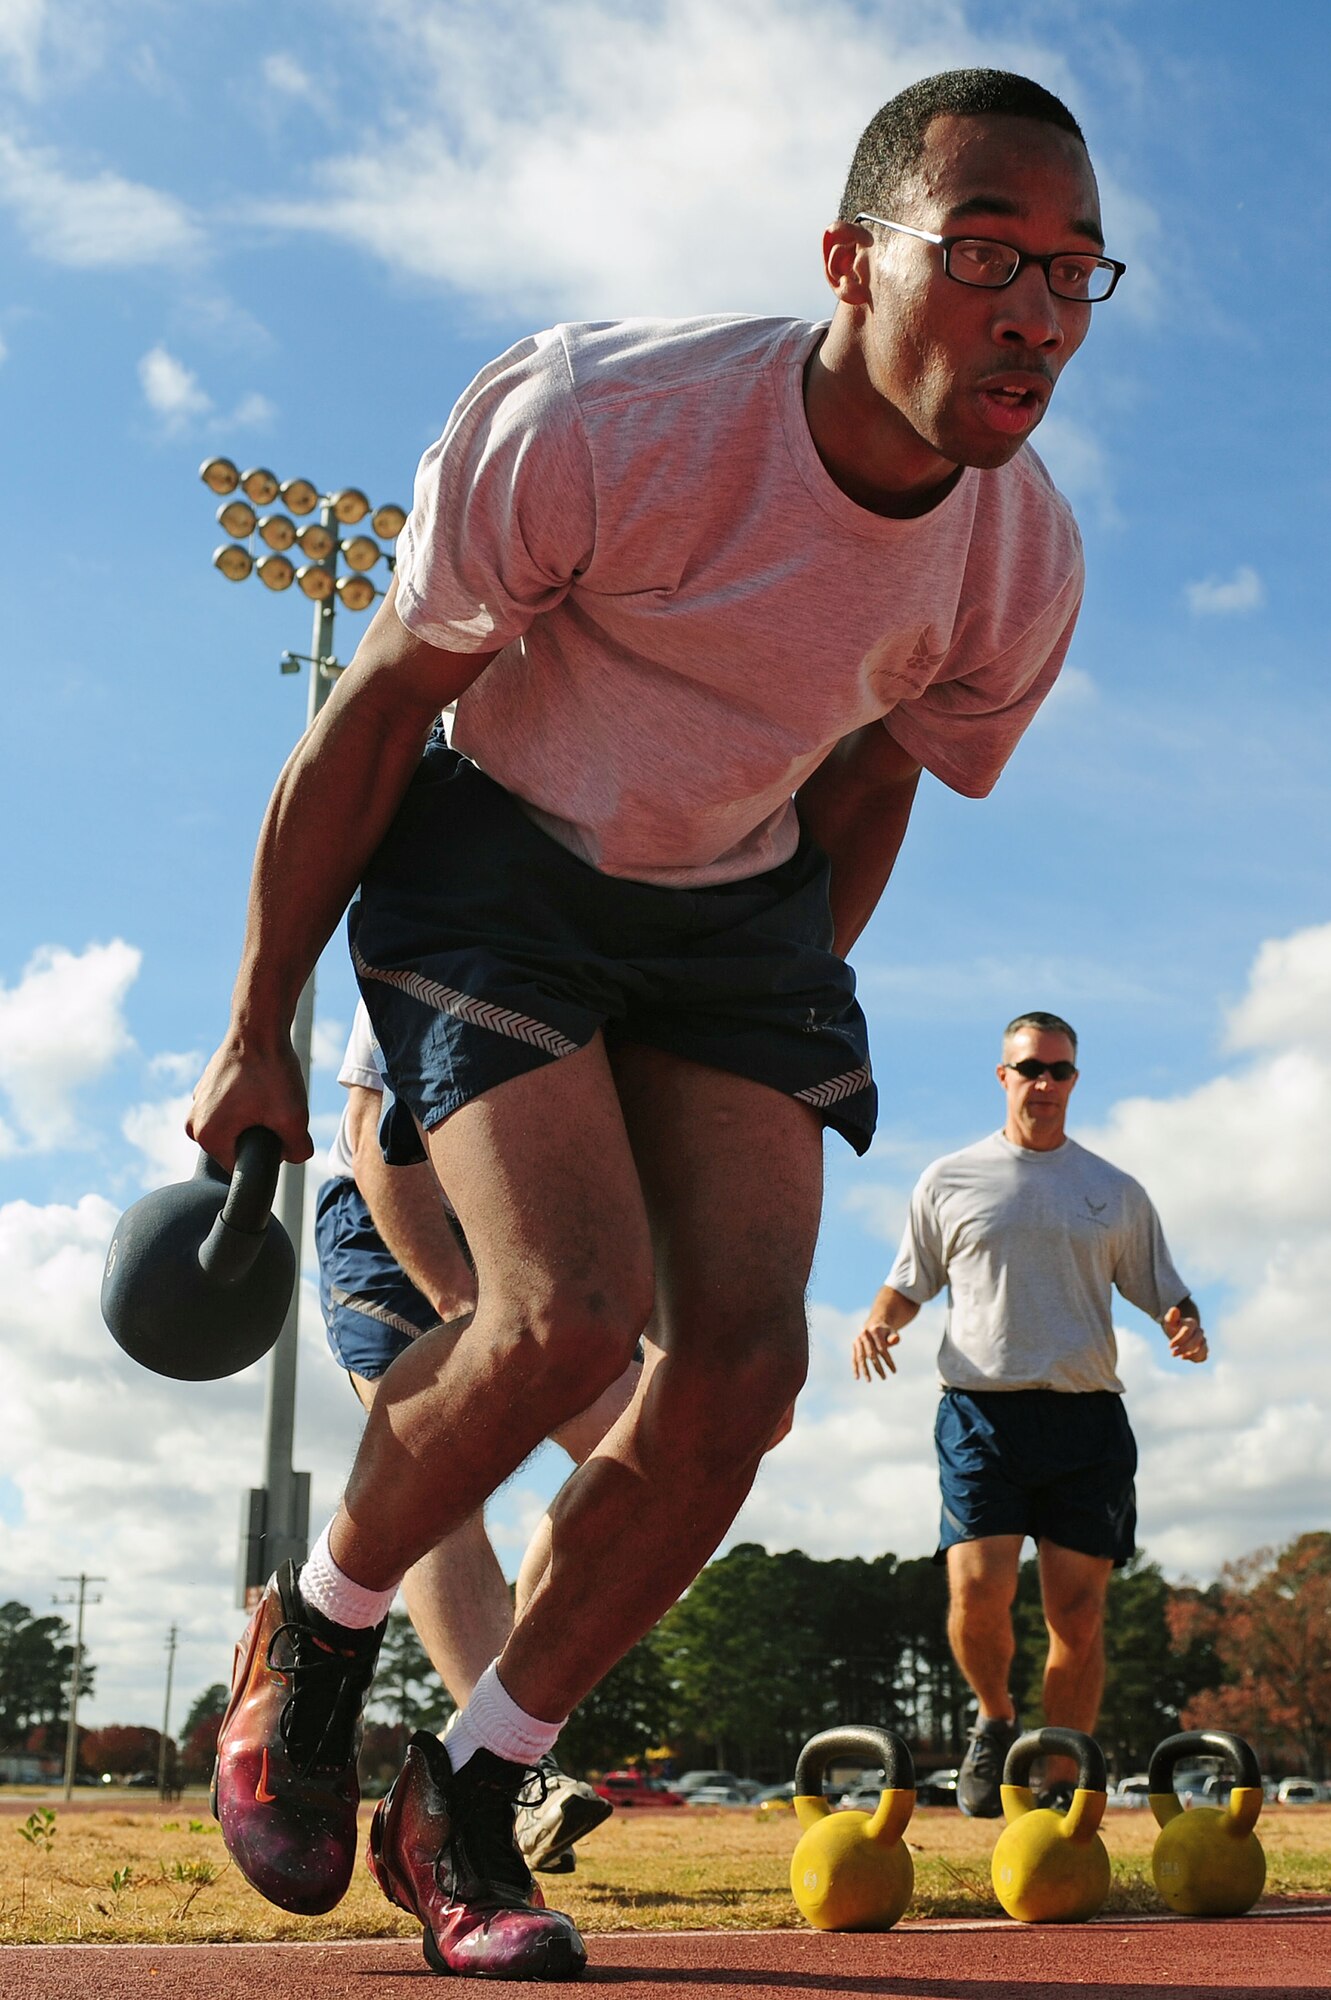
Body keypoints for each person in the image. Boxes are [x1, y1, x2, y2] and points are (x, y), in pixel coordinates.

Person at [194, 67, 1122, 1979]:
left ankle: (468, 1798)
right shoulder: (602, 420)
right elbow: (374, 717)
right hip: (499, 861)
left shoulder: (1018, 560)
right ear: (848, 261)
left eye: (1074, 271)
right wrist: (255, 1026)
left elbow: (869, 784)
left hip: (736, 915)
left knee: (741, 1382)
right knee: (567, 1316)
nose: (1034, 308)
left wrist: (757, 1034)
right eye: (985, 254)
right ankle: (317, 1637)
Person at [852, 1013, 1208, 1817]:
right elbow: (908, 1281)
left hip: (1085, 1421)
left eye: (1058, 1070)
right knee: (977, 1593)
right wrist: (879, 1321)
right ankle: (994, 1718)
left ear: (1074, 1080)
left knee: (1076, 1616)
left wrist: (1182, 1322)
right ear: (1001, 1075)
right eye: (1028, 1068)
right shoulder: (949, 1179)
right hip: (981, 1413)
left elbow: (1163, 1288)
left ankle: (1056, 1778)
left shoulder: (1113, 1191)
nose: (1042, 1084)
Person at [315, 1000, 639, 1872]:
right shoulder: (454, 913)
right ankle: (514, 1781)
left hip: (539, 1229)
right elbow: (379, 1141)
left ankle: (492, 1745)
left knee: (656, 1466)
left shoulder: (660, 948)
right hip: (395, 1223)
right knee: (441, 1483)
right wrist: (466, 1309)